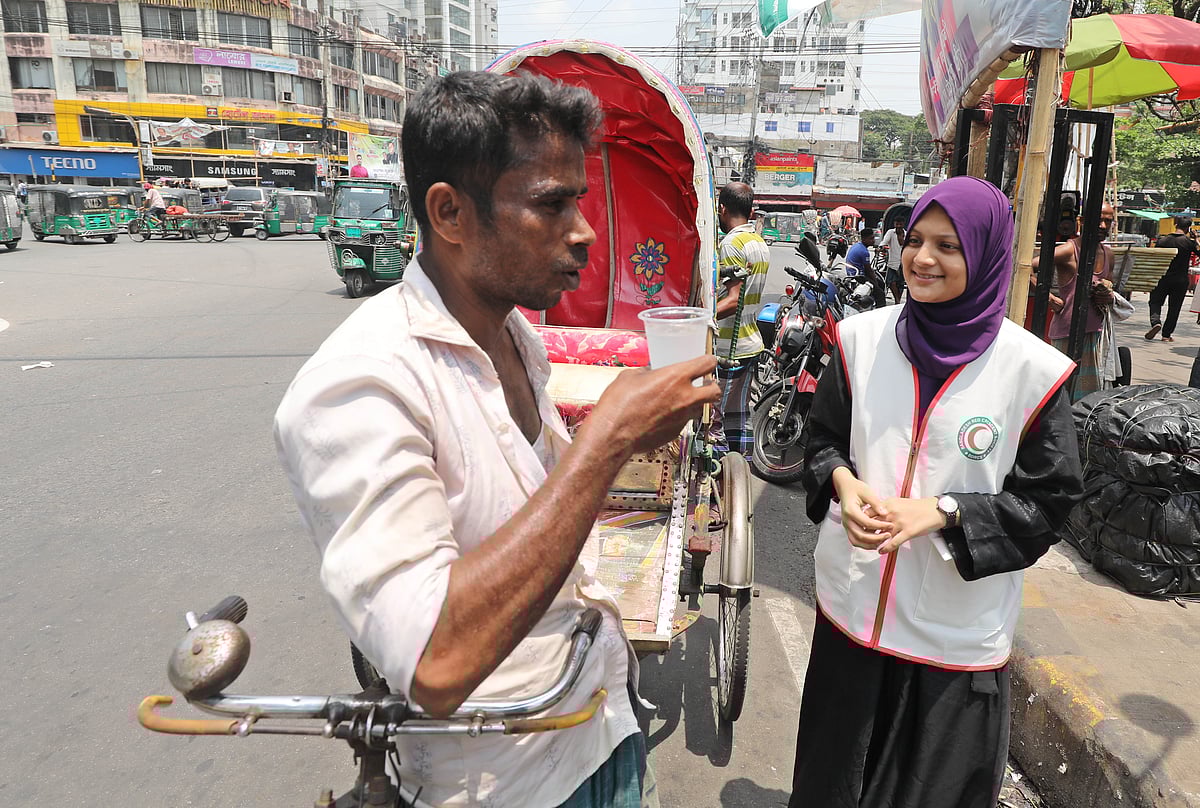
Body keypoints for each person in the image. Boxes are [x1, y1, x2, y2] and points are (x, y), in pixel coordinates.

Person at [274, 70, 717, 808]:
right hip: (502, 785)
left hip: (599, 726)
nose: (584, 231)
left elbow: (529, 511)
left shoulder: (517, 337)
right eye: (552, 203)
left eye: (579, 199)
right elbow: (436, 661)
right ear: (449, 212)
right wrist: (606, 441)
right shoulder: (359, 384)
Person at [789, 176, 1083, 808]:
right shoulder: (859, 342)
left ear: (984, 257)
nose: (922, 258)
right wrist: (843, 482)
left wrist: (944, 513)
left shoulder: (1031, 372)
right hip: (853, 623)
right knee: (830, 788)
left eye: (948, 246)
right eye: (916, 239)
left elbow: (1050, 502)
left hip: (951, 644)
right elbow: (822, 444)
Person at [714, 181, 772, 457]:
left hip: (729, 348)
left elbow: (734, 299)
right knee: (738, 415)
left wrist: (700, 316)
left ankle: (720, 473)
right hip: (750, 342)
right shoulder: (758, 242)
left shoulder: (730, 243)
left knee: (715, 419)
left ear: (722, 208)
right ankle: (741, 469)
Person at [1047, 201, 1117, 401]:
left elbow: (1110, 287)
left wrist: (1108, 294)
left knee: (1086, 398)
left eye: (1108, 221)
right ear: (1082, 221)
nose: (1103, 226)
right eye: (1099, 220)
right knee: (1058, 393)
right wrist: (1050, 298)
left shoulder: (1108, 254)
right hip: (1066, 332)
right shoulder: (1069, 251)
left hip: (1095, 335)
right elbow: (1027, 268)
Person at [1146, 216, 1197, 342]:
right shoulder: (1188, 243)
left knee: (1155, 302)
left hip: (1162, 278)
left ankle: (1155, 322)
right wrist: (1196, 239)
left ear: (1176, 225)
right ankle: (1166, 335)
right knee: (1174, 307)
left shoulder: (1162, 241)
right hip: (1180, 280)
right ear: (1187, 228)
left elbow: (1154, 259)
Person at [880, 221, 905, 303]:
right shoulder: (891, 232)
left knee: (901, 284)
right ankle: (897, 300)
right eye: (897, 224)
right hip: (893, 262)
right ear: (894, 224)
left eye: (900, 224)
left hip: (904, 263)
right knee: (891, 282)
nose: (898, 226)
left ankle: (898, 300)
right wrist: (882, 246)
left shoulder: (906, 234)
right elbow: (885, 241)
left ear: (903, 224)